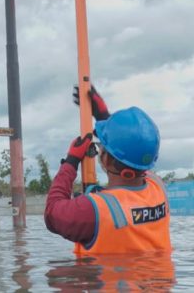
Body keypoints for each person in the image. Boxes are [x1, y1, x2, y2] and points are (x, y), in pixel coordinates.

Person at [44, 86, 171, 256]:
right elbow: (135, 153)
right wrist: (103, 116)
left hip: (106, 281)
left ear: (105, 159)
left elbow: (52, 212)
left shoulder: (93, 210)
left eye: (102, 147)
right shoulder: (158, 188)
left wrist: (71, 162)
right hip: (158, 280)